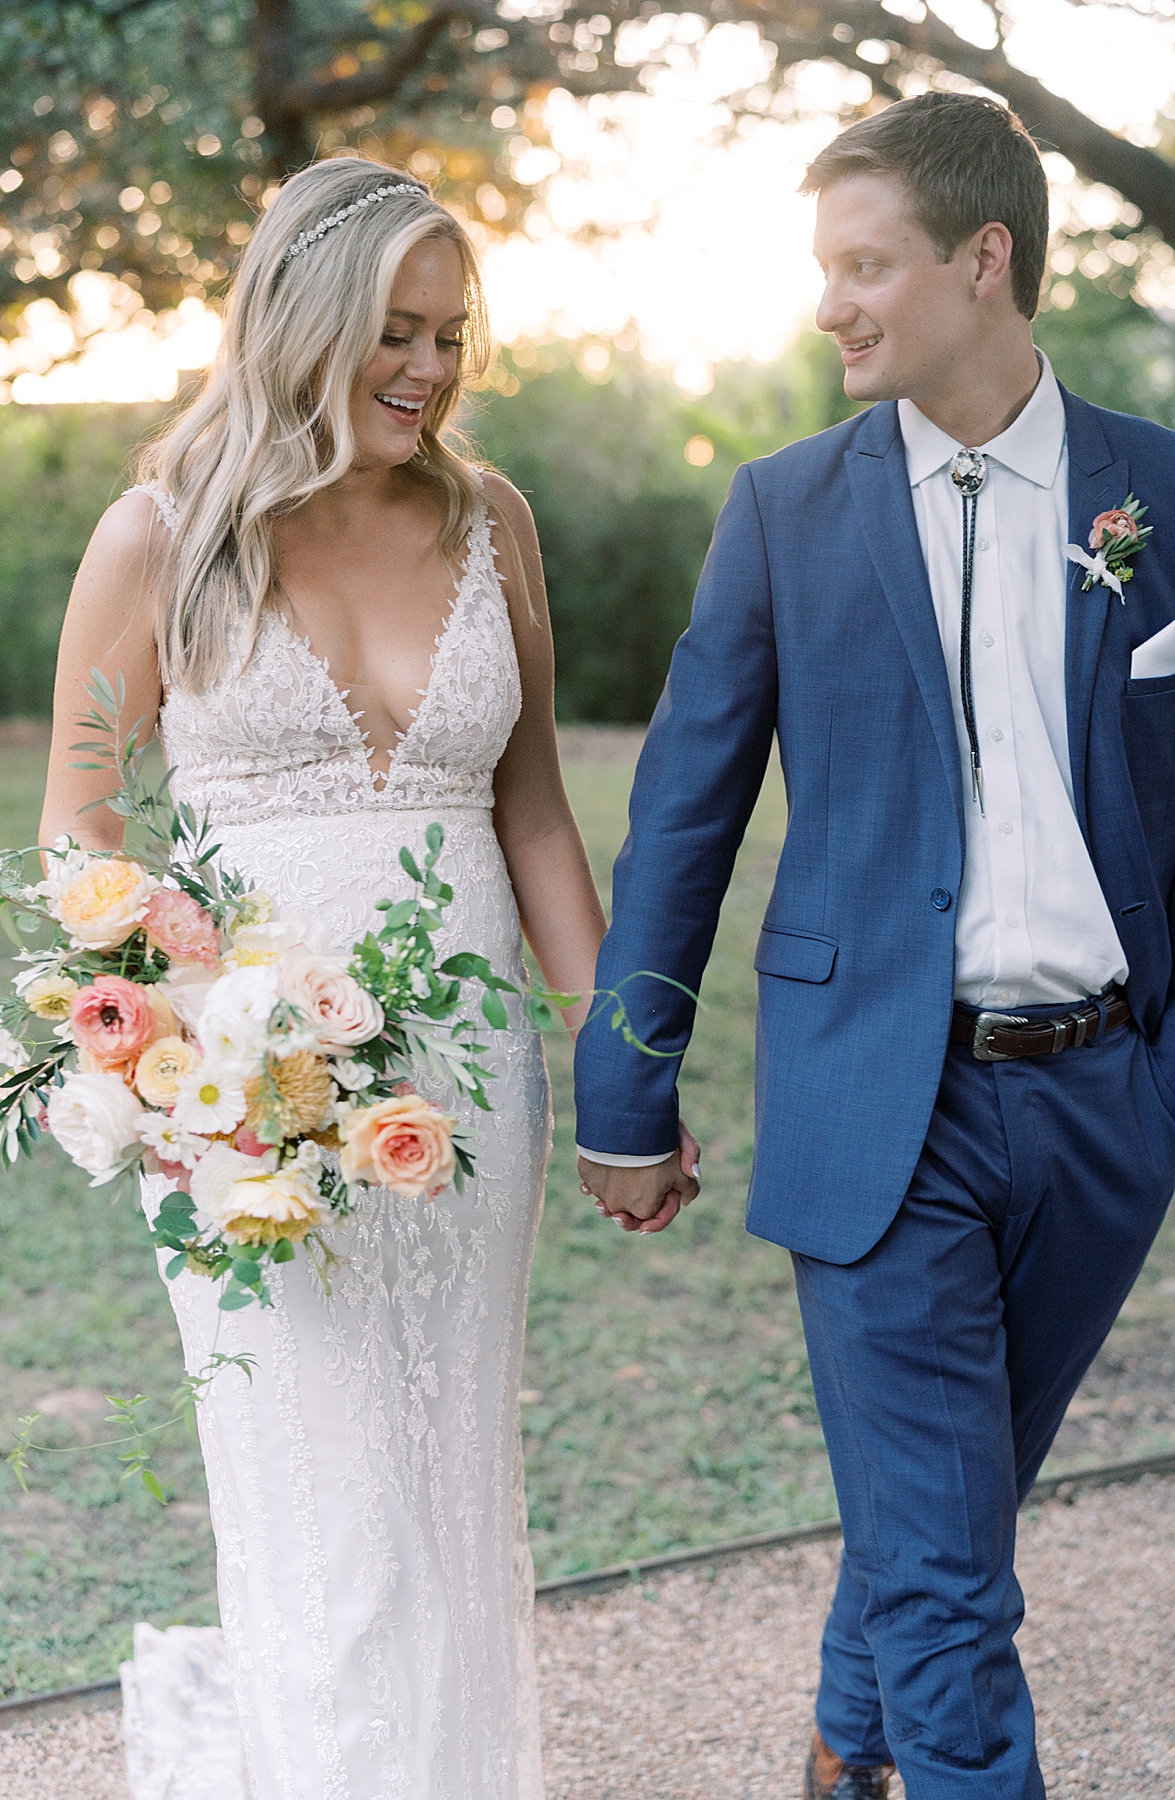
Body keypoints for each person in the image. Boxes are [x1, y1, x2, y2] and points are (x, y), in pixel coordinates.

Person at [574, 92, 1175, 1799]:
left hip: (1105, 1104)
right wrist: (626, 1083)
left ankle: (847, 1742)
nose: (826, 305)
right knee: (947, 1575)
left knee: (948, 1505)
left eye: (863, 266)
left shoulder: (1162, 493)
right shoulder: (784, 509)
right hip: (873, 1107)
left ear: (983, 261)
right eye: (820, 268)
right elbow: (684, 814)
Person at [40, 157, 610, 1800]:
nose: (427, 372)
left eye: (448, 337)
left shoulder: (486, 521)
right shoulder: (160, 538)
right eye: (393, 334)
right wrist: (182, 1059)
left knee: (440, 1478)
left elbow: (537, 816)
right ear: (299, 322)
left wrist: (621, 1059)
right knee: (318, 1493)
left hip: (464, 1090)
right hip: (234, 1107)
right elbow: (80, 835)